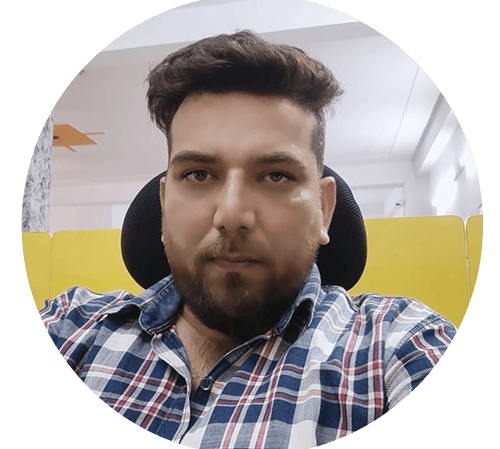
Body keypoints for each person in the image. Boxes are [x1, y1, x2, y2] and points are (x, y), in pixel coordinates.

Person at [40, 30, 456, 448]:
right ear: (163, 206)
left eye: (276, 175)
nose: (232, 215)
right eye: (198, 174)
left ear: (324, 208)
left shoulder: (397, 349)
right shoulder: (69, 329)